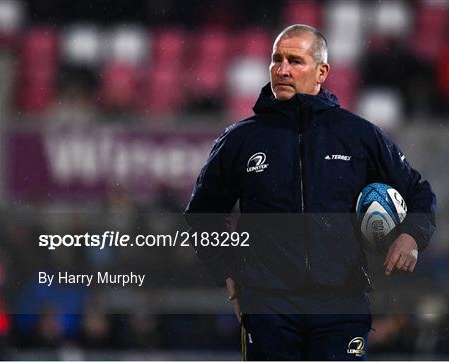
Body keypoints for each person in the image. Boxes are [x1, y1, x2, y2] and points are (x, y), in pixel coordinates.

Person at [185, 24, 436, 360]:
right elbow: (202, 215)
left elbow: (418, 191)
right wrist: (227, 273)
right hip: (268, 305)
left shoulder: (358, 135)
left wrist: (411, 237)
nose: (282, 69)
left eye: (295, 61)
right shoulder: (240, 140)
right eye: (276, 60)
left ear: (322, 72)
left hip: (341, 303)